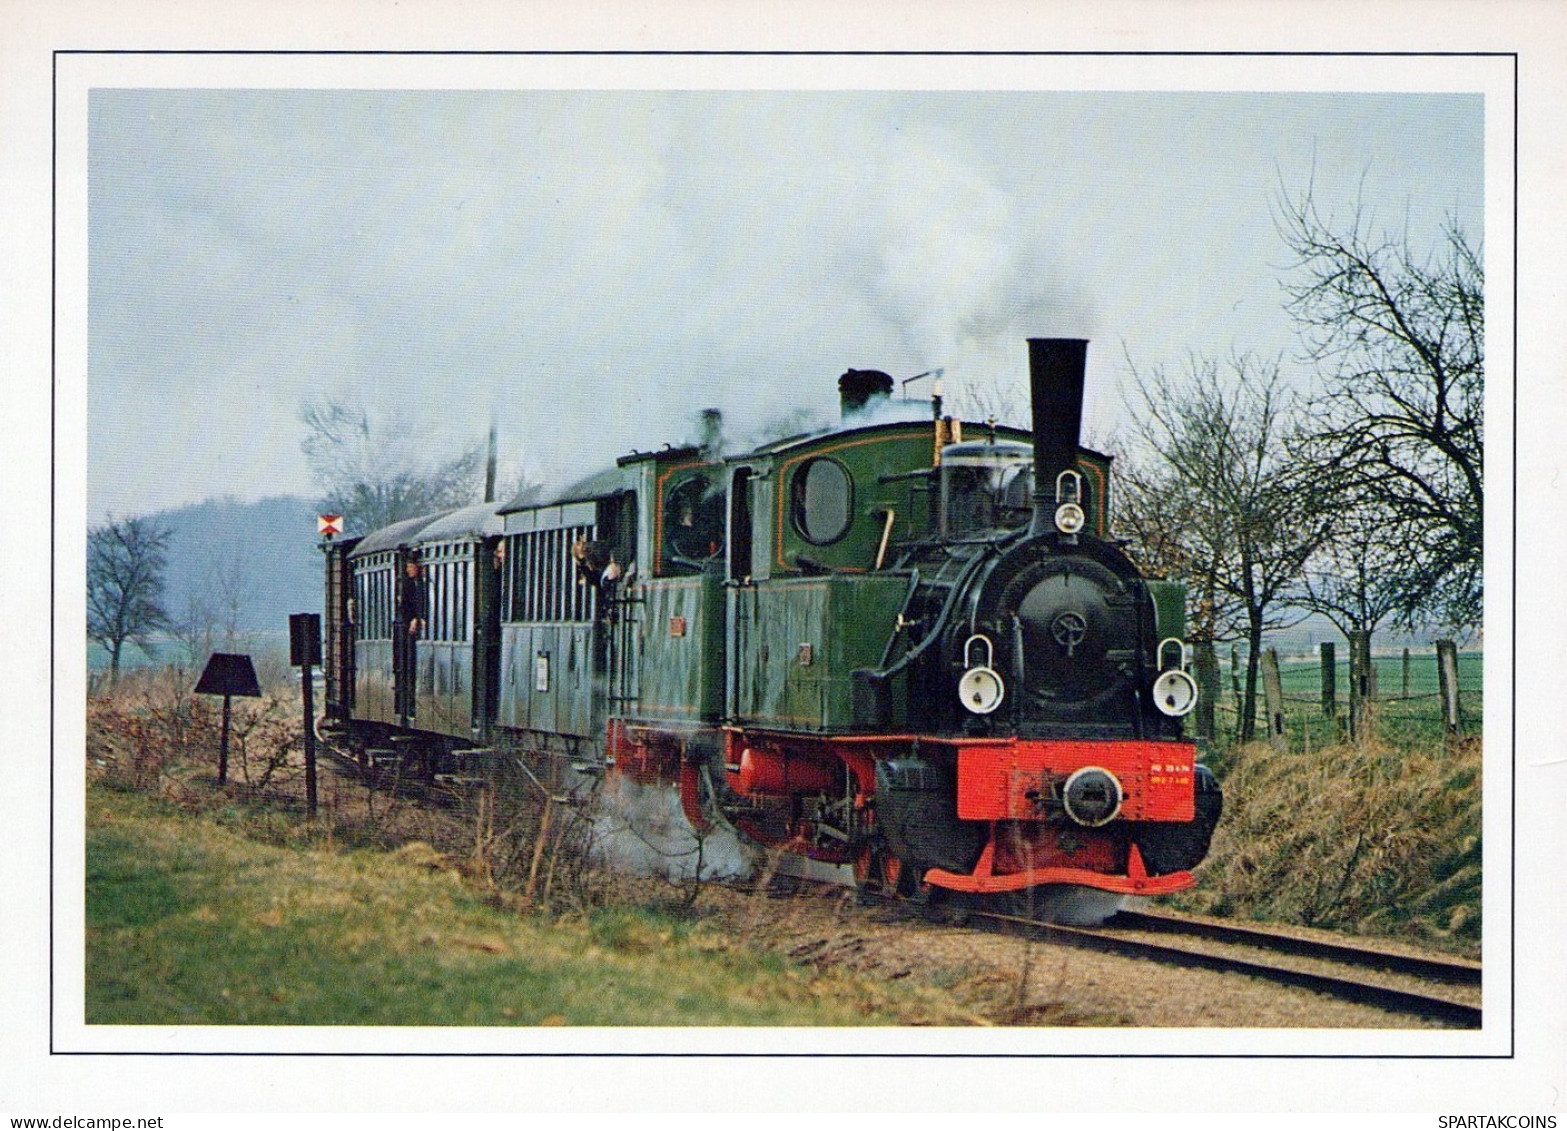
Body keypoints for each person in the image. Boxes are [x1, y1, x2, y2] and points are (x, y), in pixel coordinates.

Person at [395, 553, 427, 717]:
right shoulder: (409, 584)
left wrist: (419, 616)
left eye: (410, 566)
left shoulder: (422, 584)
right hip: (409, 629)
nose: (408, 570)